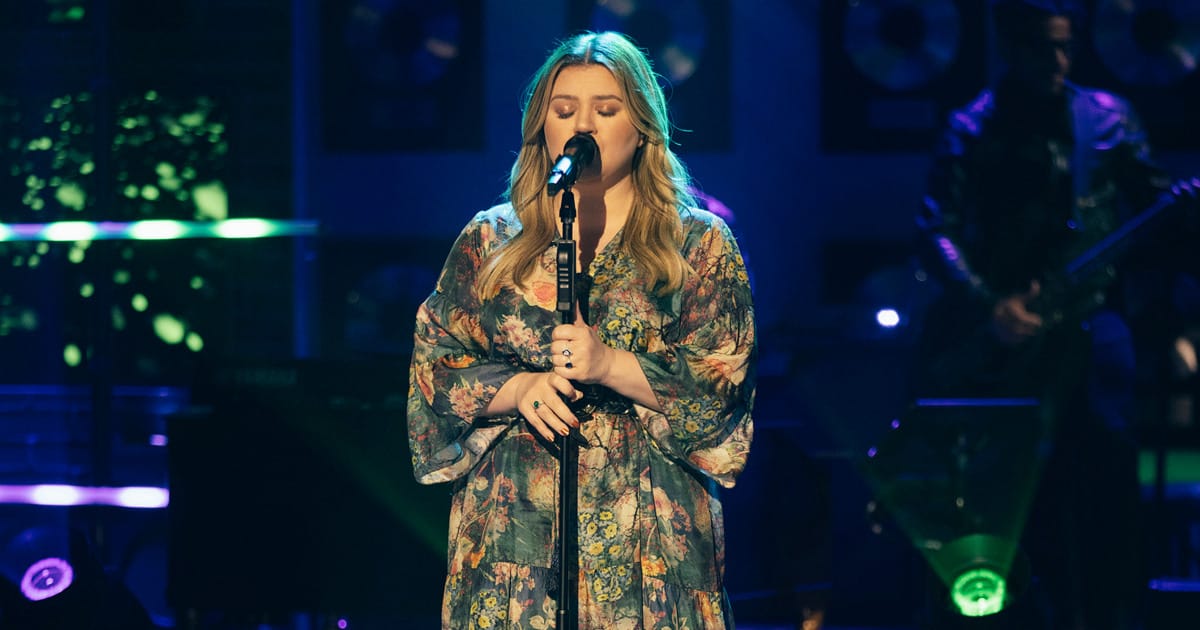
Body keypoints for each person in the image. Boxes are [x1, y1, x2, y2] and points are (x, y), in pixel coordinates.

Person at [406, 31, 757, 629]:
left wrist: (611, 365)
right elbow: (434, 366)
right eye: (565, 110)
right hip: (514, 532)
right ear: (542, 125)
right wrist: (518, 389)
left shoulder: (696, 242)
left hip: (649, 540)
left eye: (606, 109)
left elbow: (722, 387)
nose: (583, 125)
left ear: (641, 126)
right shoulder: (491, 239)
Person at [912, 1, 1197, 628]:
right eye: (1043, 47)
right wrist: (989, 305)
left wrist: (1172, 315)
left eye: (1066, 47)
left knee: (1108, 482)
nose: (1058, 61)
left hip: (1096, 328)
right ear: (1011, 48)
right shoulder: (972, 125)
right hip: (1010, 338)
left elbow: (1161, 215)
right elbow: (936, 229)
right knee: (1019, 495)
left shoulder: (1107, 118)